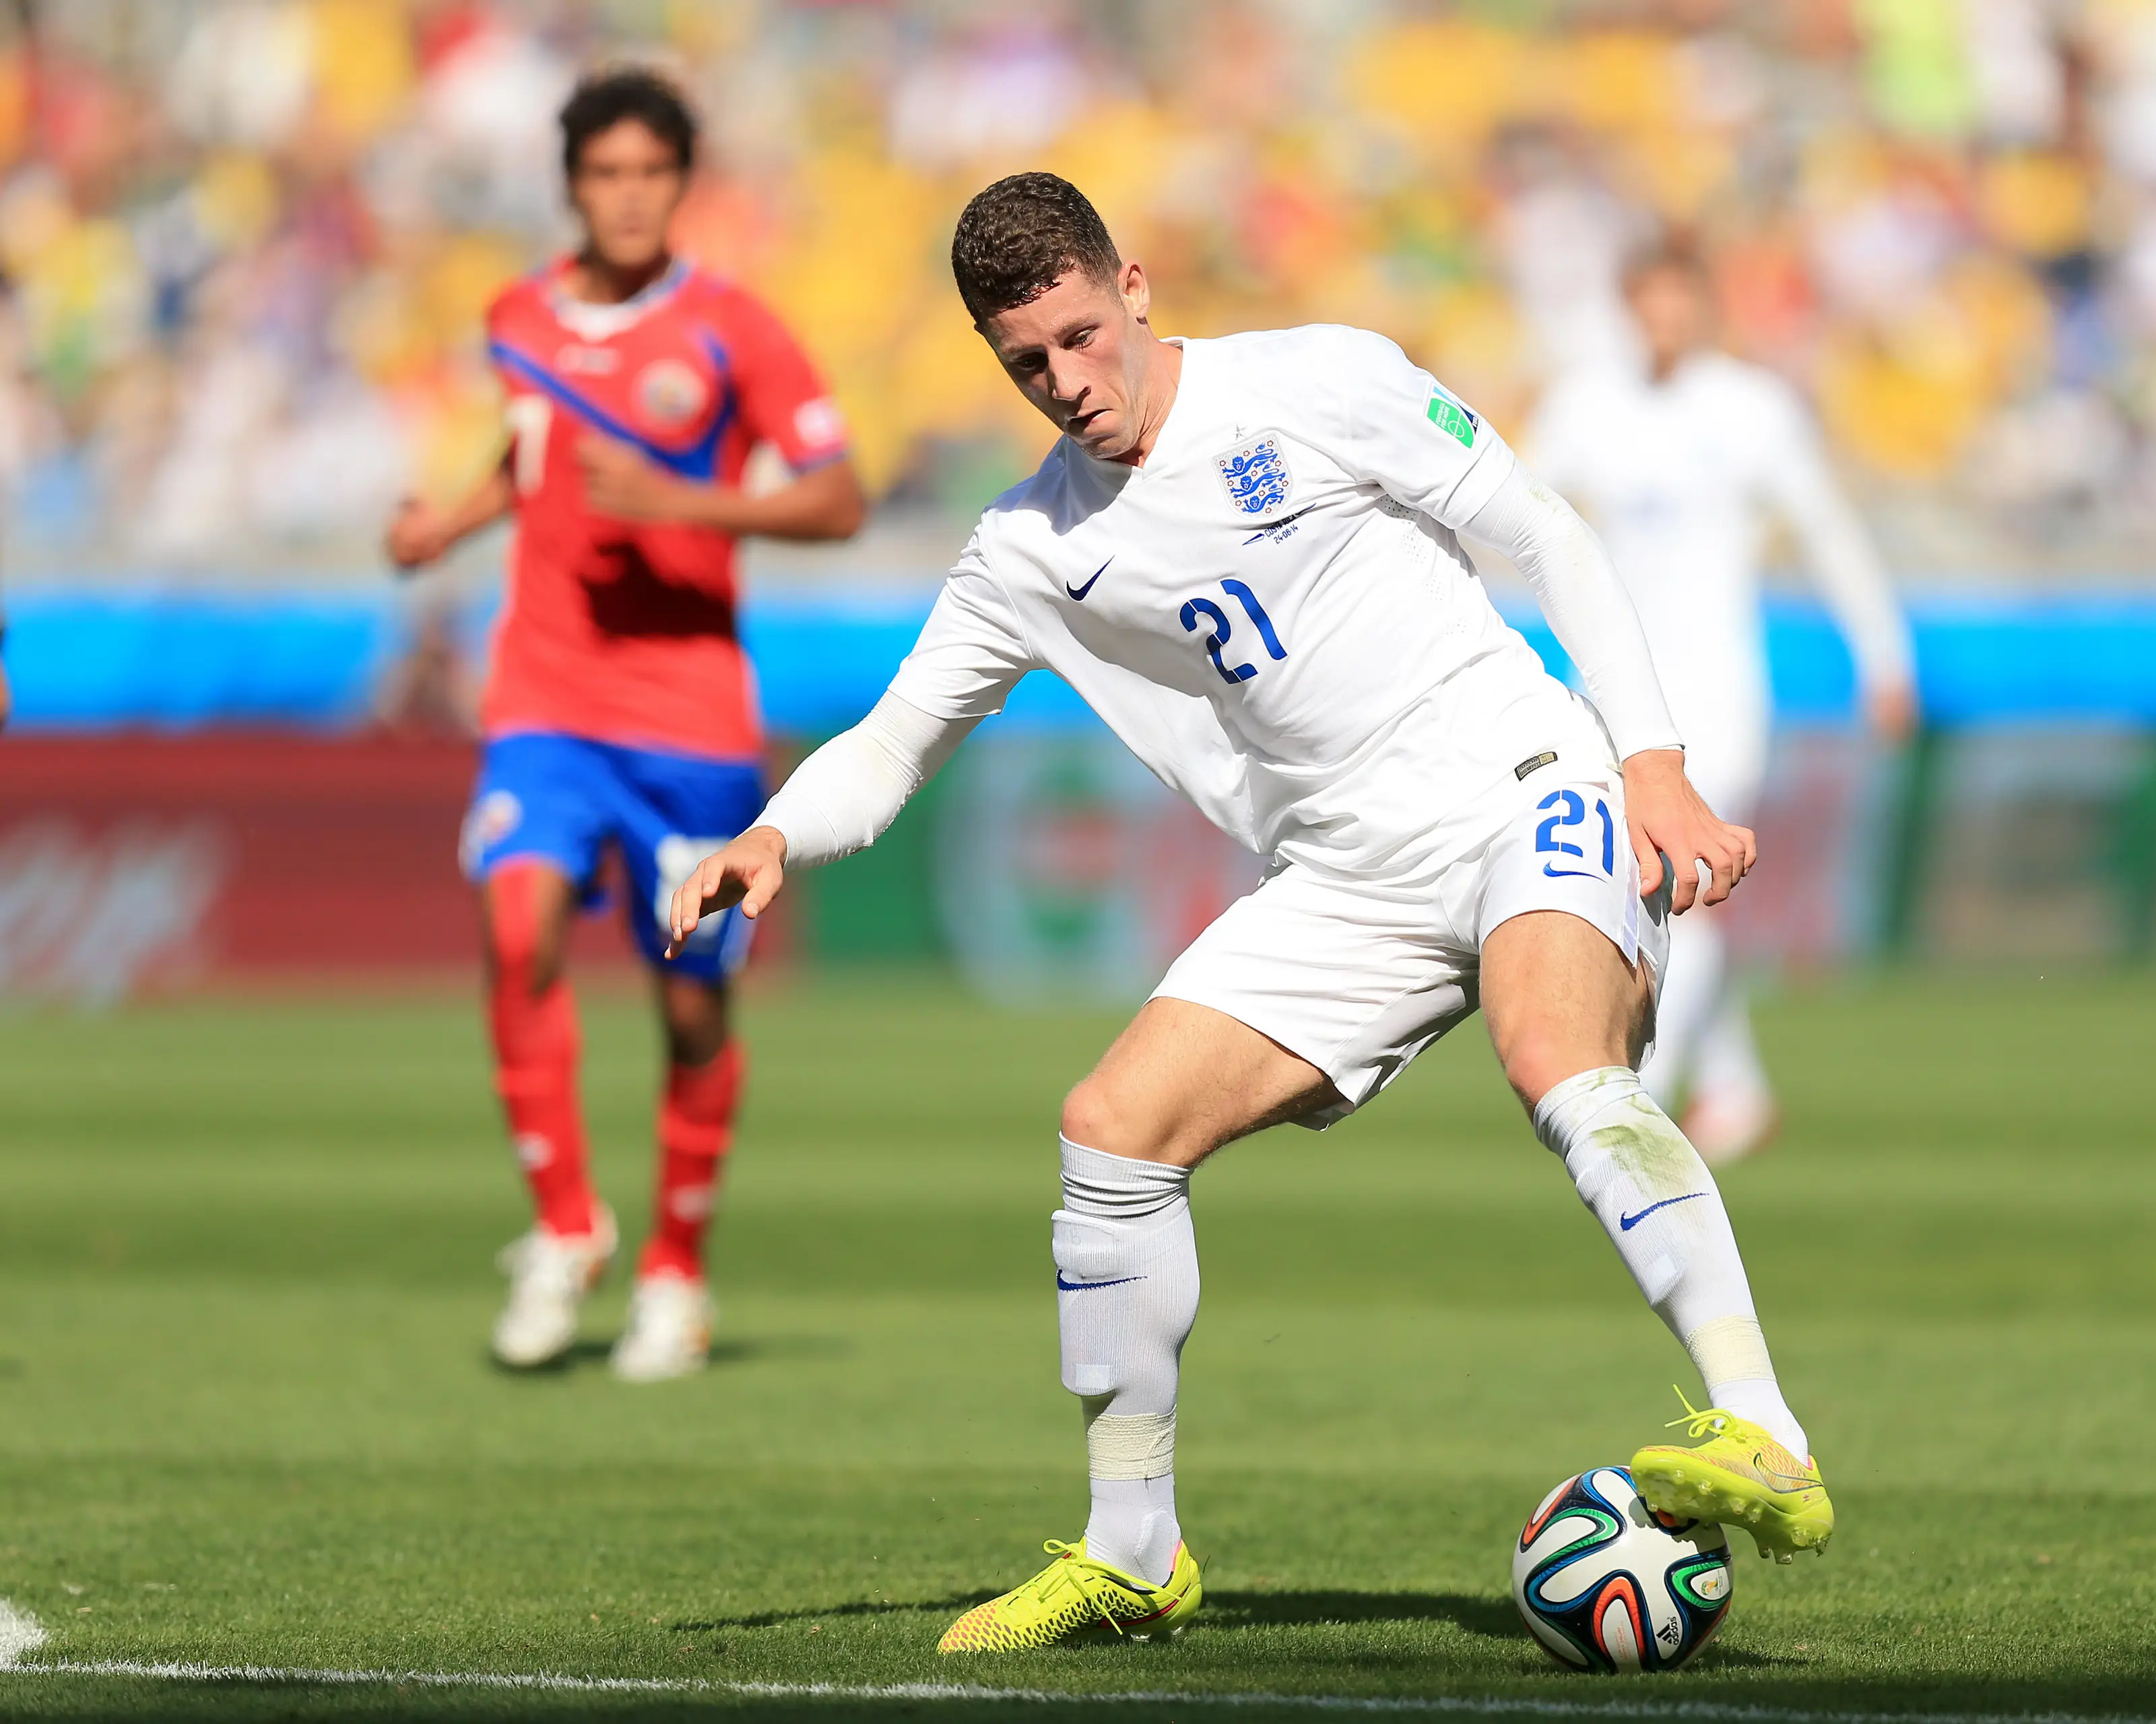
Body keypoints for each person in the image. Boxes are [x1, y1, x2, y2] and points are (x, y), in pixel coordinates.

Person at [671, 173, 1833, 1651]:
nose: (1067, 381)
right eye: (1027, 363)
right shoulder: (1029, 548)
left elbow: (1549, 535)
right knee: (1111, 1130)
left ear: (1134, 287)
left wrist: (1652, 767)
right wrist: (775, 832)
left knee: (1554, 1051)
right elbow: (893, 745)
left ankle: (1764, 1426)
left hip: (1523, 781)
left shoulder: (1318, 380)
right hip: (1346, 878)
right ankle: (1132, 1552)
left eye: (1082, 336)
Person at [385, 69, 866, 1381]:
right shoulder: (518, 316)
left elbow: (838, 499)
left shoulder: (732, 329)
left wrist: (683, 499)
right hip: (544, 700)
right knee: (515, 930)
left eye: (653, 172)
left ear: (683, 183)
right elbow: (530, 446)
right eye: (608, 173)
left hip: (690, 719)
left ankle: (675, 1271)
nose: (632, 195)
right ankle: (564, 1226)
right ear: (572, 186)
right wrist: (449, 522)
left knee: (691, 1009)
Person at [1528, 238, 1917, 1164]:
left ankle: (1641, 1103)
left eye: (1678, 298)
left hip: (1718, 685)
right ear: (1629, 306)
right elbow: (1508, 511)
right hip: (1616, 688)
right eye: (1647, 299)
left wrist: (1884, 657)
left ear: (1703, 305)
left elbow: (1827, 531)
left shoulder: (1751, 410)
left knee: (1680, 881)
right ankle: (1735, 1089)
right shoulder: (1587, 405)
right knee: (1642, 883)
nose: (1663, 317)